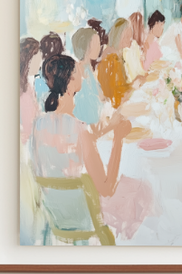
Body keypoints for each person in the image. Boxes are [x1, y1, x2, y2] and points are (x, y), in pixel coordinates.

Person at [30, 54, 130, 242]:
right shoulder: (79, 129)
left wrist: (105, 129)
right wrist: (118, 138)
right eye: (78, 72)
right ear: (69, 82)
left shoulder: (39, 125)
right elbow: (107, 189)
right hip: (86, 222)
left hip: (55, 218)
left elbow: (67, 144)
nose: (83, 76)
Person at [70, 21, 106, 124]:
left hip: (96, 119)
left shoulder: (89, 68)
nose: (99, 47)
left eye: (99, 43)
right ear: (85, 46)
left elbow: (100, 96)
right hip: (85, 123)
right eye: (95, 44)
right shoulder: (78, 70)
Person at [19, 36, 42, 142]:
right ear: (27, 59)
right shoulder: (19, 88)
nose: (39, 65)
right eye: (37, 60)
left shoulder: (29, 86)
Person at [140, 10, 166, 75]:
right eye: (161, 25)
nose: (162, 29)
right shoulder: (147, 42)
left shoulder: (154, 41)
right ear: (156, 24)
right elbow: (147, 67)